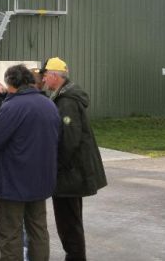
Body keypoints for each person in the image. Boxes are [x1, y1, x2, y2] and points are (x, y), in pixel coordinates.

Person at [0, 64, 60, 261]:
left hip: (14, 181)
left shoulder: (12, 106)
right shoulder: (49, 105)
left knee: (10, 231)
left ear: (11, 84)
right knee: (38, 231)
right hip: (42, 180)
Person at [41, 57, 107, 261]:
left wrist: (57, 167)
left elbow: (69, 139)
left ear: (54, 75)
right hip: (72, 172)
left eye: (45, 75)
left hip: (70, 175)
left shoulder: (67, 102)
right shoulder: (64, 96)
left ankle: (76, 257)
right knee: (71, 221)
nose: (43, 79)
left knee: (69, 222)